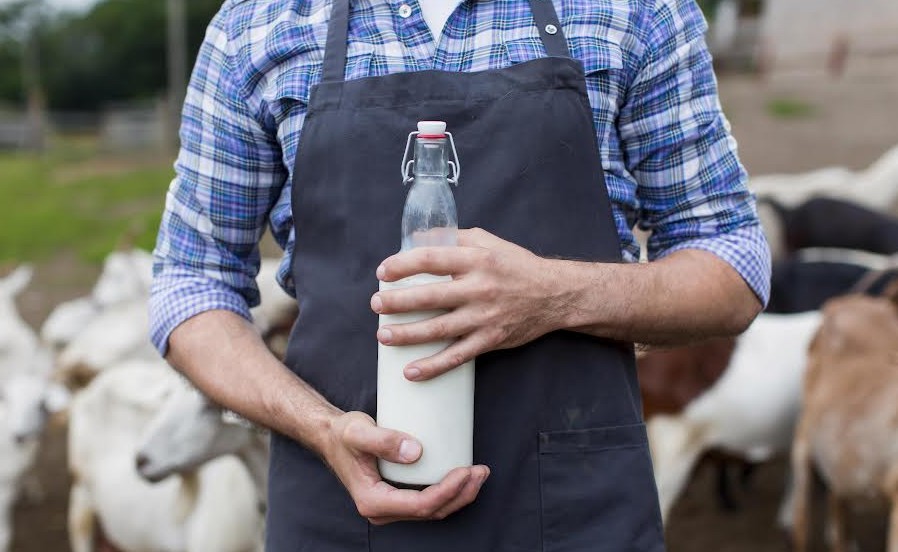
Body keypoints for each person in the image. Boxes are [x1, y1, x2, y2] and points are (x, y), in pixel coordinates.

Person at [149, 0, 771, 549]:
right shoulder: (255, 26)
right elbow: (190, 281)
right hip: (338, 518)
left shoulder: (635, 10)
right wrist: (321, 428)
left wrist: (555, 296)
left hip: (574, 513)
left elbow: (731, 262)